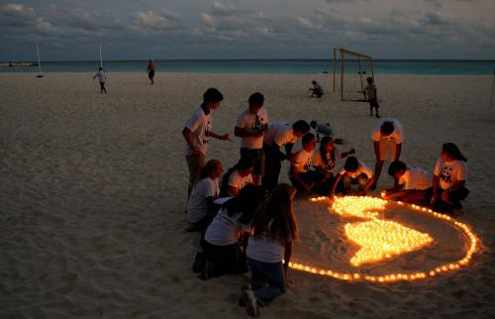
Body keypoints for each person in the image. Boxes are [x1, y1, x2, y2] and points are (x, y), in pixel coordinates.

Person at [241, 184, 298, 317]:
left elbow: (247, 233)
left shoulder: (261, 210)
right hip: (269, 260)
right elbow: (288, 248)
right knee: (279, 288)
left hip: (251, 256)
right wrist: (285, 267)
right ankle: (254, 295)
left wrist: (245, 252)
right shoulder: (285, 218)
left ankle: (254, 287)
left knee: (261, 279)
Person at [201, 185, 266, 280]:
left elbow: (216, 202)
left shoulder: (230, 201)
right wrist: (244, 256)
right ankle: (214, 268)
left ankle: (210, 260)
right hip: (222, 246)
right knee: (240, 268)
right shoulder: (246, 214)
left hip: (207, 239)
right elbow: (246, 241)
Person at [182, 88, 230, 197]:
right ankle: (190, 206)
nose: (218, 105)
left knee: (199, 179)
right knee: (196, 180)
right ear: (210, 101)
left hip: (202, 151)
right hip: (195, 154)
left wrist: (220, 137)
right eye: (217, 102)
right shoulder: (199, 115)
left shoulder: (208, 112)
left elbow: (205, 130)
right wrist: (194, 148)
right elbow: (185, 132)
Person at [262, 120, 311, 190]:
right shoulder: (286, 133)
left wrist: (289, 155)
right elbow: (274, 148)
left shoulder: (295, 134)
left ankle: (272, 186)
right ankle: (268, 188)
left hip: (272, 144)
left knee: (276, 166)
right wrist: (286, 157)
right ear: (299, 131)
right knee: (271, 166)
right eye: (303, 133)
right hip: (264, 142)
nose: (302, 136)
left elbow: (289, 144)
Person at [234, 92, 269, 185]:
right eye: (250, 105)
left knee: (259, 174)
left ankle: (256, 191)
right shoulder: (243, 116)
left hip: (260, 148)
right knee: (248, 174)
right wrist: (252, 134)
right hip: (247, 149)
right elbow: (236, 132)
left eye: (254, 106)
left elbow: (265, 125)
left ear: (260, 106)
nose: (251, 108)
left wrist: (262, 131)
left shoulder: (263, 112)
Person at [431, 143, 469, 215]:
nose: (441, 154)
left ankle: (455, 206)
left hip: (454, 190)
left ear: (449, 154)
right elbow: (435, 177)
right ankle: (445, 204)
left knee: (446, 198)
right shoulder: (440, 160)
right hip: (441, 189)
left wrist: (448, 191)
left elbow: (461, 182)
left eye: (443, 152)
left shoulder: (460, 165)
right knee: (434, 206)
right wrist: (435, 193)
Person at [186, 159, 223, 232]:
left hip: (195, 214)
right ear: (213, 171)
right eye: (220, 169)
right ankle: (198, 226)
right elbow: (210, 204)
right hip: (198, 217)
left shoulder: (215, 179)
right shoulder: (208, 182)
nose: (222, 170)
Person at [371, 118, 404, 189]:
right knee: (379, 161)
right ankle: (374, 182)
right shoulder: (377, 131)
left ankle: (396, 184)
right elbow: (376, 144)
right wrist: (378, 158)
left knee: (396, 164)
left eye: (384, 135)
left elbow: (399, 146)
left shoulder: (398, 131)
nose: (384, 136)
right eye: (382, 134)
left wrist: (396, 161)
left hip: (394, 140)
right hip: (381, 140)